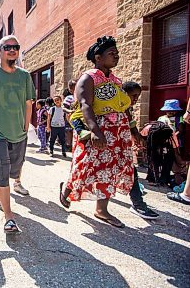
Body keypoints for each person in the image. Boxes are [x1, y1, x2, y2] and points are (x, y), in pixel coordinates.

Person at [59, 36, 133, 228]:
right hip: (97, 130)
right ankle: (67, 190)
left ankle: (101, 210)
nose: (116, 56)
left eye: (117, 53)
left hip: (117, 133)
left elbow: (123, 106)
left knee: (109, 169)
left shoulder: (115, 80)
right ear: (98, 57)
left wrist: (134, 131)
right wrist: (96, 131)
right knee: (85, 165)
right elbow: (85, 105)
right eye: (111, 54)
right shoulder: (88, 78)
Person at [0, 35, 36, 234]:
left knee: (14, 171)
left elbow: (29, 103)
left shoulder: (25, 76)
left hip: (18, 133)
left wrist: (26, 126)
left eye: (15, 47)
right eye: (7, 47)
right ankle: (9, 217)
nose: (12, 50)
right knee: (4, 171)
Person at [120, 81, 159, 219]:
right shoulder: (117, 106)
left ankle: (138, 204)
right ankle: (67, 191)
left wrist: (136, 135)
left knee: (131, 171)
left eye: (138, 96)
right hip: (111, 145)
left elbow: (131, 123)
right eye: (133, 96)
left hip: (122, 147)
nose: (136, 99)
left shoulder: (127, 108)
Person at [167, 98, 190, 205]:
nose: (170, 112)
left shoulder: (179, 118)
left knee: (178, 160)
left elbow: (180, 130)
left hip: (177, 143)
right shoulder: (162, 118)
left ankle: (180, 180)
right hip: (166, 144)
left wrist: (172, 137)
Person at [63, 80, 77, 149]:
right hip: (72, 118)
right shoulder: (69, 98)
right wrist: (70, 111)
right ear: (70, 90)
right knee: (70, 132)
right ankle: (69, 145)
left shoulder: (83, 96)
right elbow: (64, 108)